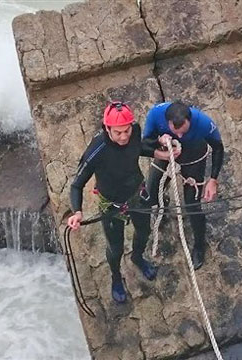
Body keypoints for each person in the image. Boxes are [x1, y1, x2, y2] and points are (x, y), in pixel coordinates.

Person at [67, 101, 169, 304]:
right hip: (111, 204)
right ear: (107, 128)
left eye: (126, 131)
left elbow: (137, 148)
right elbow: (76, 185)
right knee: (116, 247)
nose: (124, 137)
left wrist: (161, 153)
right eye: (118, 133)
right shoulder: (97, 150)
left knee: (144, 231)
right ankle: (116, 277)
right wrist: (77, 212)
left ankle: (137, 257)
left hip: (137, 193)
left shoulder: (135, 131)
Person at [143, 101, 224, 270]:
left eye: (183, 131)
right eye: (175, 131)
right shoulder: (155, 115)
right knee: (150, 191)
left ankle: (199, 246)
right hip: (166, 152)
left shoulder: (203, 123)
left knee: (192, 205)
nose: (179, 136)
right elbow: (145, 143)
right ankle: (162, 204)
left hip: (194, 156)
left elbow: (218, 147)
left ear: (190, 120)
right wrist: (159, 140)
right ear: (166, 123)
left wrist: (213, 179)